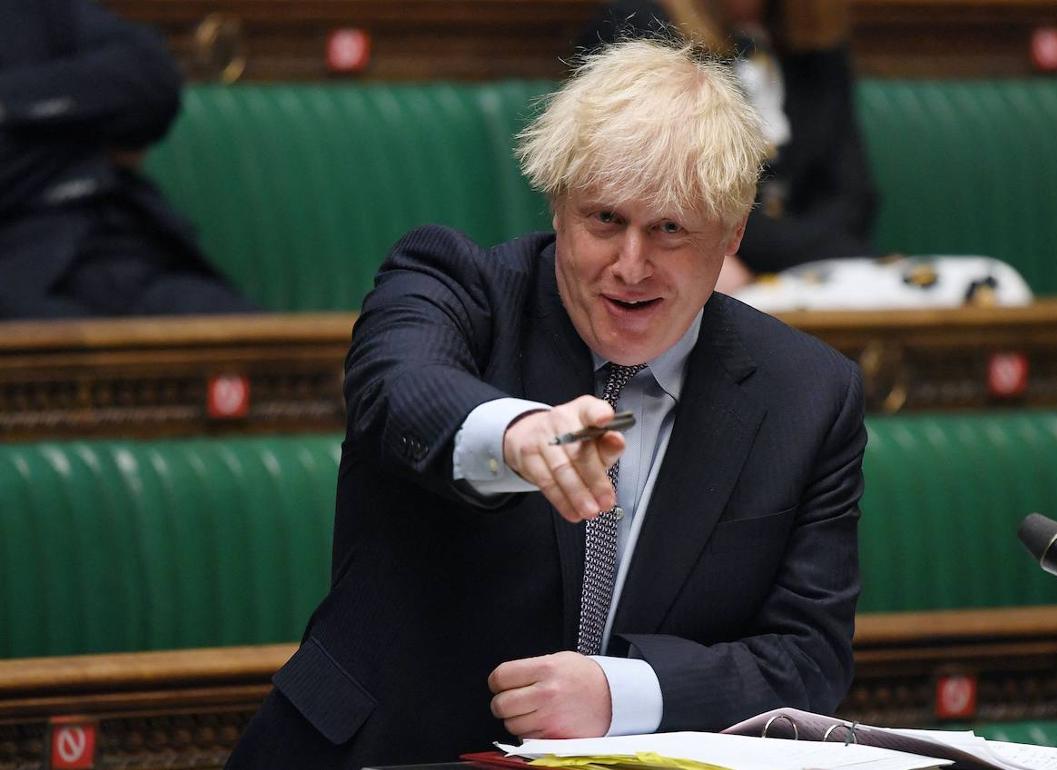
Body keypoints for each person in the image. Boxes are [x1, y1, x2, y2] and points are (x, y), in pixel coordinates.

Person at [227, 37, 866, 768]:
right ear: (559, 205)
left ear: (732, 233)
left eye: (669, 230)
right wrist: (516, 436)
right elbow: (398, 392)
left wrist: (623, 693)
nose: (631, 266)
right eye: (605, 220)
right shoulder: (454, 285)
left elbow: (808, 658)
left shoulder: (808, 394)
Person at [579, 0, 880, 292]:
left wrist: (805, 261)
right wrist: (717, 253)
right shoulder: (638, 25)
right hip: (697, 261)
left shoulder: (818, 43)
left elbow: (852, 195)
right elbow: (650, 194)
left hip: (810, 270)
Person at [0, 0, 258, 318]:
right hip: (18, 271)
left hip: (120, 246)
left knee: (264, 340)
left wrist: (10, 107)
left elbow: (151, 77)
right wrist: (85, 133)